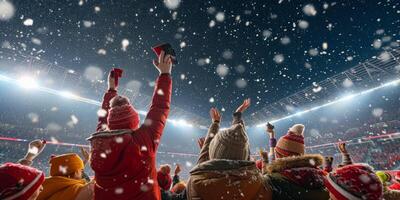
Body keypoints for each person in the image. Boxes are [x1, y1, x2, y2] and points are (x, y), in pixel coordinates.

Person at [88, 50, 173, 200]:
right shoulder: (142, 140)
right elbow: (159, 107)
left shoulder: (99, 142)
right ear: (134, 121)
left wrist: (111, 90)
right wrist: (164, 74)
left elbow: (159, 108)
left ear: (110, 121)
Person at [187, 99, 273, 200]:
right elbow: (240, 144)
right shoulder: (260, 184)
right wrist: (238, 117)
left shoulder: (197, 181)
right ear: (245, 157)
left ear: (212, 153)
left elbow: (204, 157)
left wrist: (216, 123)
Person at [264, 124, 330, 200]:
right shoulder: (323, 176)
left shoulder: (273, 180)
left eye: (277, 153)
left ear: (281, 156)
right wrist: (272, 135)